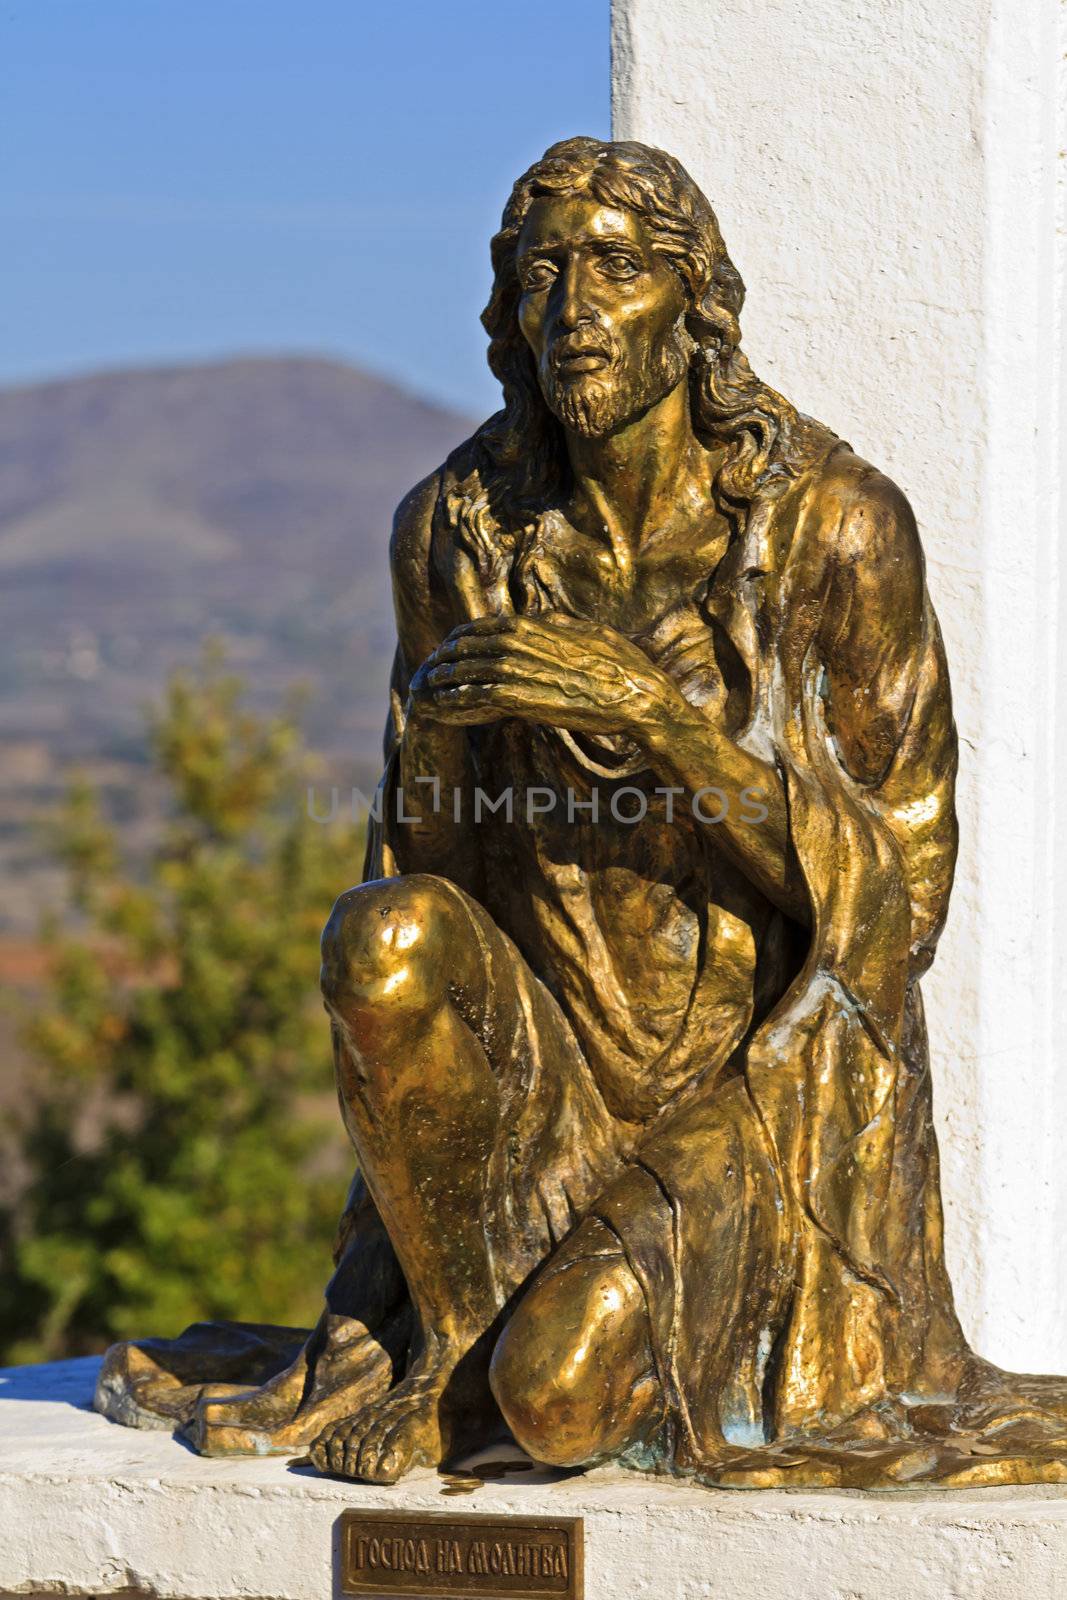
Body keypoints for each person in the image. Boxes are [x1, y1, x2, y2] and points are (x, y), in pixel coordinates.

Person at [96, 138, 1067, 1488]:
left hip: (757, 1093)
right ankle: (445, 1346)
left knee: (554, 1407)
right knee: (378, 936)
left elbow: (896, 909)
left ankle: (523, 1355)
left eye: (616, 265)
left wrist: (658, 724)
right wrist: (440, 734)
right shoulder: (457, 527)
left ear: (698, 301)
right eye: (541, 270)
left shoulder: (836, 529)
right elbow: (427, 872)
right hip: (546, 1063)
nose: (576, 308)